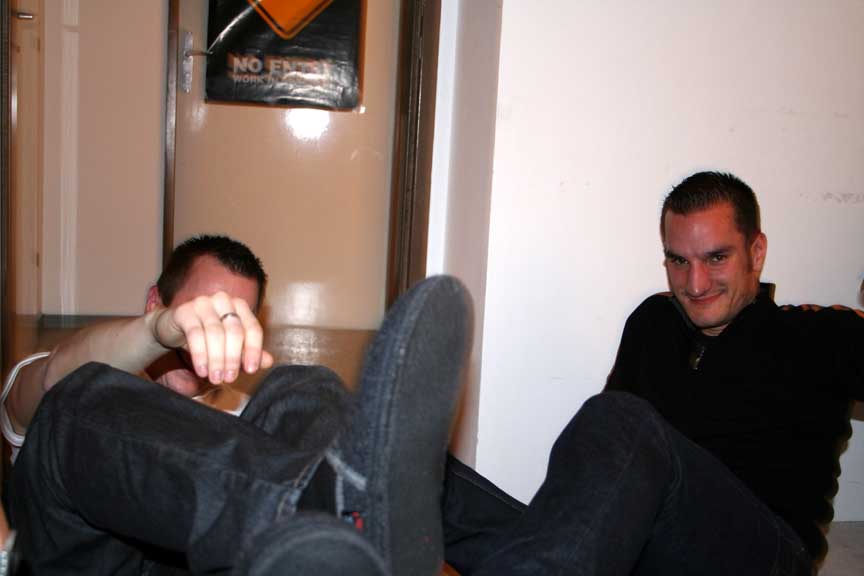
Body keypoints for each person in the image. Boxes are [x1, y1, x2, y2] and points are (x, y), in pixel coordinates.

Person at [442, 172, 862, 575]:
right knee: (437, 486)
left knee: (618, 417)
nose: (695, 284)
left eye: (716, 258)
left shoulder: (817, 335)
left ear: (756, 252)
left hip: (762, 554)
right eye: (678, 260)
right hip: (648, 551)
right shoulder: (653, 323)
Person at [2, 235, 471, 575]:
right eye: (203, 310)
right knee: (82, 393)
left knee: (302, 386)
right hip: (85, 559)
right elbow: (52, 378)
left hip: (258, 555)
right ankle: (321, 513)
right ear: (156, 303)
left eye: (234, 316)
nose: (216, 328)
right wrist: (157, 331)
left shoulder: (243, 414)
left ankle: (347, 518)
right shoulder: (78, 390)